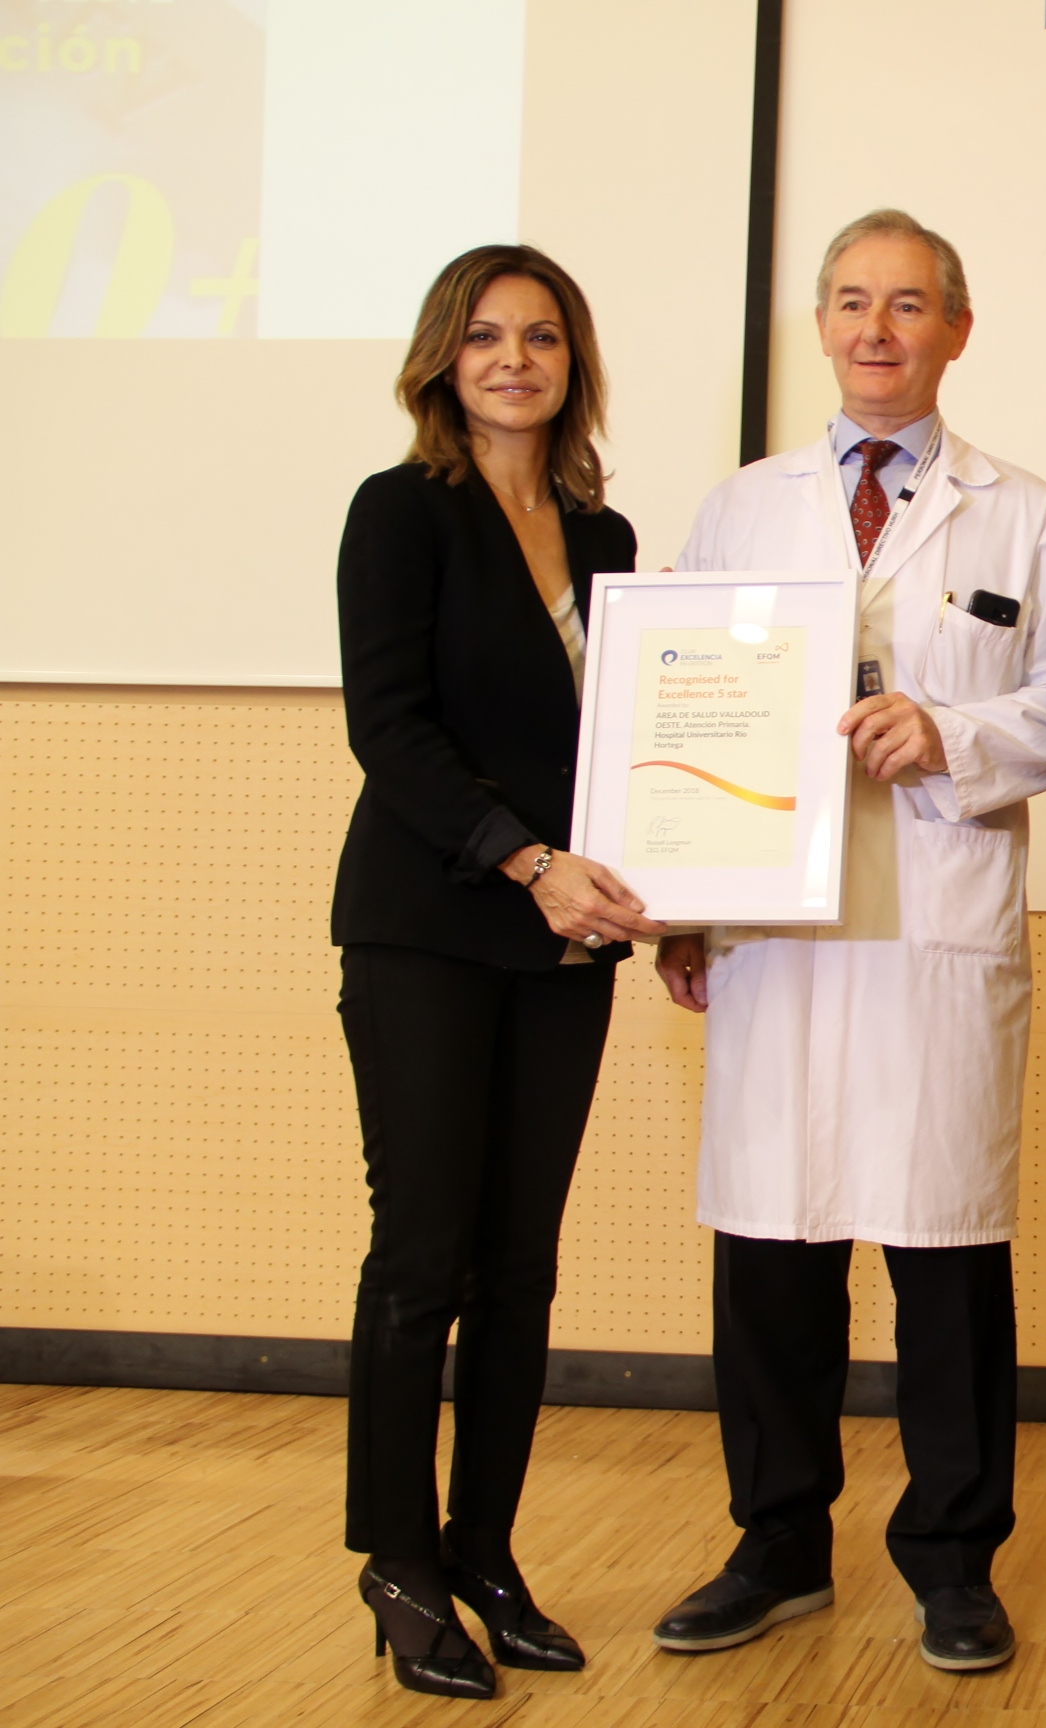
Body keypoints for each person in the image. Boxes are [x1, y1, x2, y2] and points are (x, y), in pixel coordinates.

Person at [645, 210, 1046, 1675]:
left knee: (945, 1249)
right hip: (776, 928)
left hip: (935, 926)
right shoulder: (742, 508)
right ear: (823, 326)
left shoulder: (1027, 516)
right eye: (851, 302)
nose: (876, 330)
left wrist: (947, 731)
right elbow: (680, 704)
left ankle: (954, 1562)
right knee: (770, 1241)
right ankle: (775, 1544)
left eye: (908, 304)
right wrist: (683, 897)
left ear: (957, 329)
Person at [333, 244, 664, 1700]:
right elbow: (390, 731)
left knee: (522, 1267)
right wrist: (530, 863)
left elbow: (637, 746)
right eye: (484, 337)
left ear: (572, 362)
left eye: (540, 337)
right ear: (442, 360)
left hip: (565, 943)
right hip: (429, 926)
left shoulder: (606, 535)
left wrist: (666, 883)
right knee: (424, 1260)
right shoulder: (400, 512)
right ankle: (400, 1562)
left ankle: (485, 1553)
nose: (513, 361)